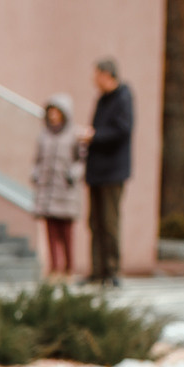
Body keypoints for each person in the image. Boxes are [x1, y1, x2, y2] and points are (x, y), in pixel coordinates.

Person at [80, 59, 134, 287]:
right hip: (96, 171)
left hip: (113, 172)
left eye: (96, 75)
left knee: (110, 223)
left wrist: (95, 136)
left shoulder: (123, 97)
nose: (94, 80)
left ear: (107, 75)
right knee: (95, 222)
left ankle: (112, 271)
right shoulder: (102, 99)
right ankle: (97, 271)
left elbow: (122, 130)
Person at [33, 94, 84, 279]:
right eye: (51, 112)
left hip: (66, 190)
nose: (53, 116)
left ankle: (69, 269)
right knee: (51, 232)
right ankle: (54, 269)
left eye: (57, 112)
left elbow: (80, 160)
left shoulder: (73, 136)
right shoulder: (43, 135)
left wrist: (73, 175)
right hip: (48, 191)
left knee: (67, 233)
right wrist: (36, 174)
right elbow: (37, 160)